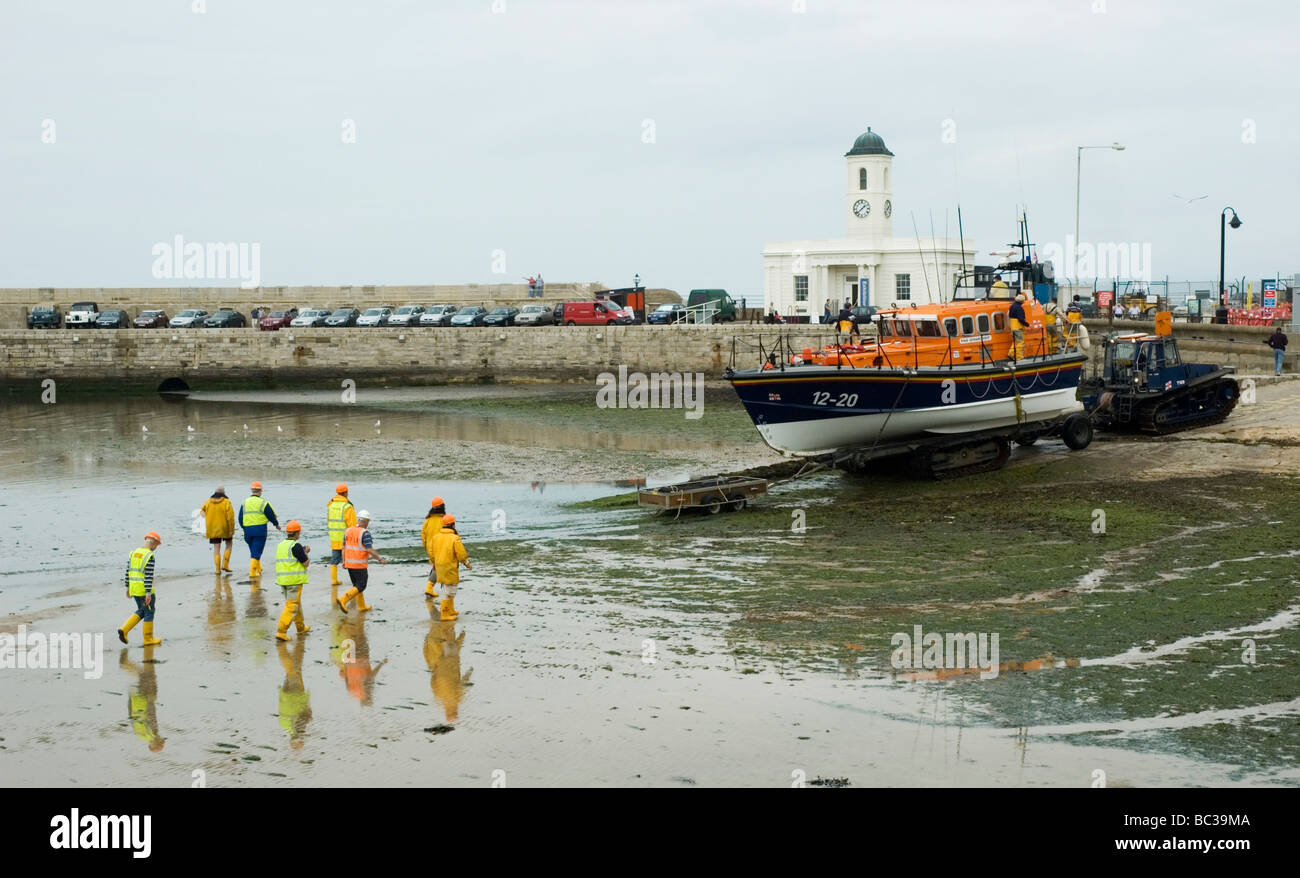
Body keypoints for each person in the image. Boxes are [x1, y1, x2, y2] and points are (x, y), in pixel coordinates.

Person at [337, 510, 388, 612]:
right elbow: (369, 549)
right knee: (361, 586)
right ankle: (343, 599)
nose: (368, 524)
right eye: (368, 521)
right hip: (359, 565)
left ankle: (362, 606)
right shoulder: (365, 533)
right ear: (365, 521)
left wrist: (344, 561)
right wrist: (380, 558)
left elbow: (343, 547)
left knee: (356, 586)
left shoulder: (348, 531)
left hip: (349, 564)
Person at [118, 531, 163, 646]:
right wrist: (148, 593)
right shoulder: (149, 556)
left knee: (142, 611)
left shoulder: (134, 553)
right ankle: (148, 639)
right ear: (153, 542)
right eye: (157, 545)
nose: (156, 548)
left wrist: (128, 587)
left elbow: (128, 571)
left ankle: (124, 630)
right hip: (144, 589)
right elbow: (148, 575)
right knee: (149, 611)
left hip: (134, 588)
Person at [273, 520, 312, 642]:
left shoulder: (281, 545)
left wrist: (302, 551)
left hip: (283, 581)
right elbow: (305, 563)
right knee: (292, 606)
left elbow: (290, 558)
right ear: (296, 533)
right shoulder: (295, 545)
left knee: (296, 604)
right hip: (294, 581)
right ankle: (281, 631)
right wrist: (305, 553)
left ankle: (301, 628)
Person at [431, 514, 471, 621]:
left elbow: (431, 552)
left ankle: (451, 610)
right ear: (453, 525)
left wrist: (433, 564)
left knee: (446, 587)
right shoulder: (454, 538)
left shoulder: (436, 537)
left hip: (439, 566)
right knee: (450, 590)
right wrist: (467, 563)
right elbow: (461, 554)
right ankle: (444, 613)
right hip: (450, 567)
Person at [240, 481, 281, 579]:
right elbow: (270, 515)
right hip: (259, 530)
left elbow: (240, 518)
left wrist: (244, 528)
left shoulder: (245, 502)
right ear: (260, 491)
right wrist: (276, 524)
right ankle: (253, 573)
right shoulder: (263, 502)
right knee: (256, 552)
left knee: (254, 550)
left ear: (252, 490)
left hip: (248, 531)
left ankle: (258, 568)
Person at [326, 483, 356, 587]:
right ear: (345, 492)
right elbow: (352, 524)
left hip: (334, 536)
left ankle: (334, 580)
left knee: (334, 559)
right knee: (351, 560)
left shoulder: (331, 505)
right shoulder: (347, 506)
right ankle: (355, 581)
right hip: (346, 537)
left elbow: (328, 520)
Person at [200, 485, 235, 573]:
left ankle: (217, 569)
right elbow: (230, 517)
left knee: (216, 547)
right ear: (223, 493)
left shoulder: (208, 502)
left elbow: (201, 511)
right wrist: (232, 530)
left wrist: (207, 516)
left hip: (212, 528)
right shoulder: (227, 502)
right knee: (229, 544)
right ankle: (225, 565)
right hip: (225, 527)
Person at [421, 497, 448, 599]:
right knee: (439, 568)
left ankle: (431, 587)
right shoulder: (444, 519)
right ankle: (430, 588)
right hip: (442, 547)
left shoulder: (427, 520)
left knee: (436, 566)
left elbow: (423, 534)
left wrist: (426, 546)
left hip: (430, 548)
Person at [1007, 294, 1028, 360]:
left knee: (1015, 342)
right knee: (1020, 342)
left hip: (1013, 327)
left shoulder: (1012, 306)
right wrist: (1027, 324)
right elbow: (1020, 319)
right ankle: (1019, 357)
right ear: (1022, 301)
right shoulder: (1019, 308)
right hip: (1018, 327)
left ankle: (1011, 354)